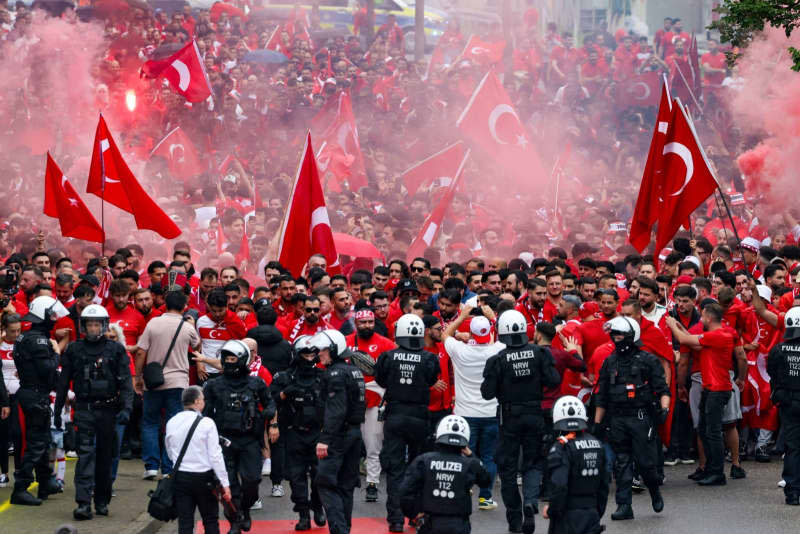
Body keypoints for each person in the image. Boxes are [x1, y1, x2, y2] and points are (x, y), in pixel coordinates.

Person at [480, 309, 561, 534]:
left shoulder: (497, 360)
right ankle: (530, 502)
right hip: (535, 414)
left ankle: (514, 517)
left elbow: (486, 393)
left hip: (509, 419)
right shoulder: (539, 353)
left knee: (507, 467)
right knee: (533, 462)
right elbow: (554, 380)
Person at [53, 304, 134, 520]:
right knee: (85, 455)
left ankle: (101, 499)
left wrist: (127, 408)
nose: (93, 328)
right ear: (83, 326)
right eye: (89, 324)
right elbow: (63, 382)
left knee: (105, 456)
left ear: (104, 325)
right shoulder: (74, 349)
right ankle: (82, 502)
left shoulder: (116, 350)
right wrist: (58, 411)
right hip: (84, 408)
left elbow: (126, 381)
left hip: (108, 409)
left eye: (97, 324)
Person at [593, 316, 670, 520]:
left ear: (631, 336)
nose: (616, 338)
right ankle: (624, 505)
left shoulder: (647, 360)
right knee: (622, 463)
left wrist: (664, 409)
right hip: (617, 420)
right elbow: (601, 396)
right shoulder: (609, 362)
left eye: (620, 335)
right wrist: (598, 424)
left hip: (641, 419)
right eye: (614, 335)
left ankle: (654, 491)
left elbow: (662, 389)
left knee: (646, 464)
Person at [374, 314, 440, 532]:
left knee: (395, 470)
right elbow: (431, 380)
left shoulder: (388, 356)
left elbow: (381, 380)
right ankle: (415, 515)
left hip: (395, 414)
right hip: (420, 416)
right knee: (418, 468)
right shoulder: (429, 358)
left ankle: (394, 520)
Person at [203, 339, 276, 534]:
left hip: (250, 440)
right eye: (226, 358)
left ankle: (245, 509)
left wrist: (267, 416)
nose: (229, 361)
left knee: (252, 480)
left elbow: (270, 403)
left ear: (242, 359)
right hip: (224, 441)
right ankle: (234, 521)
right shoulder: (213, 385)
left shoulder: (256, 383)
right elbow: (206, 413)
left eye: (233, 358)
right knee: (229, 484)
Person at [134, 290, 201, 480]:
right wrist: (192, 325)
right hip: (178, 382)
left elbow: (140, 352)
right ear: (184, 307)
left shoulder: (153, 323)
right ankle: (169, 467)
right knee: (173, 425)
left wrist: (138, 376)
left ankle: (151, 466)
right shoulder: (187, 327)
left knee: (150, 423)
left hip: (153, 382)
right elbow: (197, 347)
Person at [442, 305, 502, 511]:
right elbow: (505, 335)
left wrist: (462, 316)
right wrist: (492, 317)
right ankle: (485, 497)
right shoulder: (497, 350)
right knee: (488, 457)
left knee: (465, 454)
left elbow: (445, 334)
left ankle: (463, 490)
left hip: (465, 414)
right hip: (491, 412)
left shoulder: (460, 350)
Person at [11, 296, 67, 506]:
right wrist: (57, 353)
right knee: (36, 443)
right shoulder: (40, 341)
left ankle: (45, 482)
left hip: (30, 392)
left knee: (42, 439)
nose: (54, 319)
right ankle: (21, 488)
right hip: (35, 394)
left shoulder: (26, 337)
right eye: (51, 315)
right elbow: (48, 369)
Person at [311, 329, 366, 534]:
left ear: (334, 349)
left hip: (337, 436)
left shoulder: (334, 373)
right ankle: (345, 528)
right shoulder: (355, 371)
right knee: (346, 485)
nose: (319, 354)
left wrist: (325, 439)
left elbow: (336, 409)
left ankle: (340, 530)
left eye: (323, 349)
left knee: (325, 483)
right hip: (353, 434)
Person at [399, 415, 491, 534]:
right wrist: (471, 455)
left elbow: (405, 491)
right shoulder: (470, 464)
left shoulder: (424, 460)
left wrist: (413, 514)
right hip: (459, 525)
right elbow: (486, 481)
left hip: (429, 523)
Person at [271, 336, 327, 530]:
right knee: (296, 477)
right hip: (293, 432)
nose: (309, 358)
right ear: (297, 354)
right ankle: (303, 513)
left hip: (318, 434)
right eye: (306, 354)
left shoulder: (324, 376)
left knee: (320, 474)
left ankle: (318, 506)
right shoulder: (285, 377)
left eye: (313, 354)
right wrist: (286, 393)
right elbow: (271, 400)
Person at [344, 308, 395, 502]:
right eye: (363, 322)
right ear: (356, 324)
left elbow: (393, 370)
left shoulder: (385, 344)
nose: (367, 326)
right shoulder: (346, 342)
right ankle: (345, 481)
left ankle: (372, 484)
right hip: (349, 402)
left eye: (370, 322)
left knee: (374, 446)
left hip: (374, 402)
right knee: (346, 445)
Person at [165, 385, 231, 534]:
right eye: (202, 399)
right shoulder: (207, 423)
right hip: (204, 477)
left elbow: (170, 451)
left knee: (185, 521)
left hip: (181, 477)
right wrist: (225, 483)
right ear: (196, 401)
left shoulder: (171, 422)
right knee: (210, 519)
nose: (204, 402)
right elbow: (215, 456)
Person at [542, 395, 609, 534]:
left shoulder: (562, 447)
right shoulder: (597, 444)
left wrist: (552, 510)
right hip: (592, 514)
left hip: (567, 516)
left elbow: (559, 485)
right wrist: (597, 512)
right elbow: (604, 484)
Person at [766, 307, 800, 505]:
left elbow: (773, 374)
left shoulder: (778, 350)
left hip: (788, 404)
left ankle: (793, 492)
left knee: (793, 447)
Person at [0, 313, 21, 488]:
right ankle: (3, 473)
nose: (16, 334)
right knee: (3, 435)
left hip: (19, 395)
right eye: (12, 331)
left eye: (19, 330)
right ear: (4, 329)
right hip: (2, 396)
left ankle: (19, 471)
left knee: (18, 434)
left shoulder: (23, 344)